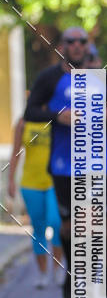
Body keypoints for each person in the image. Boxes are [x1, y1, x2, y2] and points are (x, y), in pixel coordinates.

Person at [23, 28, 107, 298]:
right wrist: (58, 116)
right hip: (62, 165)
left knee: (95, 223)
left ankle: (97, 273)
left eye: (82, 41)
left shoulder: (101, 78)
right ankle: (74, 272)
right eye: (71, 42)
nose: (77, 46)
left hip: (97, 164)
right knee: (69, 226)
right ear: (62, 46)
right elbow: (30, 112)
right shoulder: (50, 78)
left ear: (88, 46)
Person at [7, 116, 63, 287]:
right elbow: (16, 153)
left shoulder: (57, 117)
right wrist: (11, 180)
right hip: (30, 183)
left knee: (56, 223)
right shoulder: (24, 122)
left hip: (55, 181)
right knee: (37, 228)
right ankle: (42, 273)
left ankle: (57, 269)